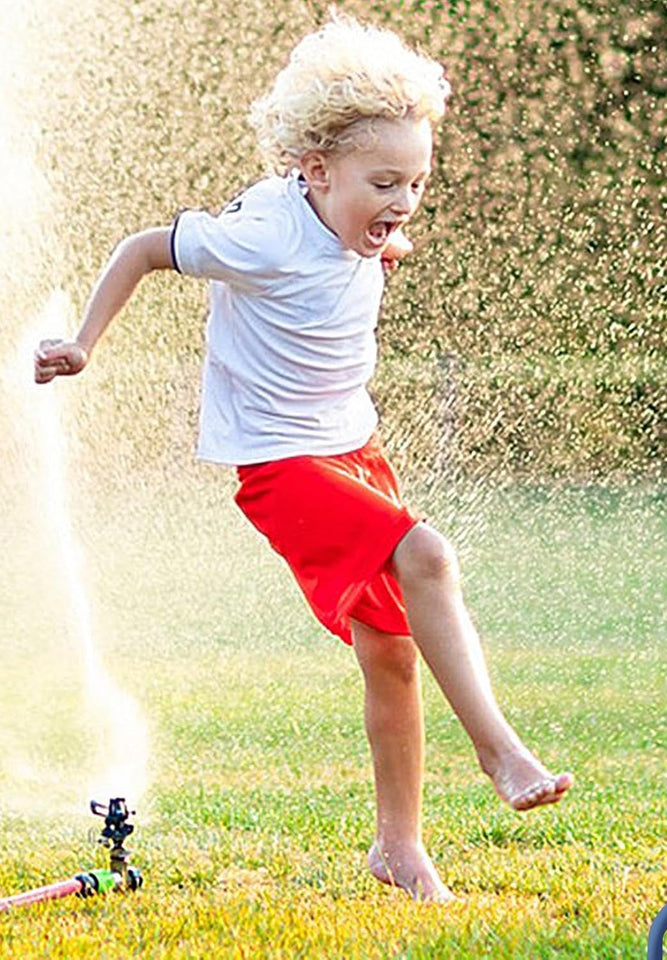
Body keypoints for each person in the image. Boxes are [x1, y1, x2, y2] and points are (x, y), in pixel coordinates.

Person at [34, 11, 572, 903]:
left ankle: (398, 849)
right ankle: (499, 752)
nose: (402, 203)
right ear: (316, 172)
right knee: (430, 554)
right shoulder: (261, 233)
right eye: (385, 183)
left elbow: (357, 249)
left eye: (417, 183)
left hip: (353, 449)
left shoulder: (347, 221)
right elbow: (141, 250)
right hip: (283, 466)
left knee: (391, 652)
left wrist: (381, 237)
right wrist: (85, 345)